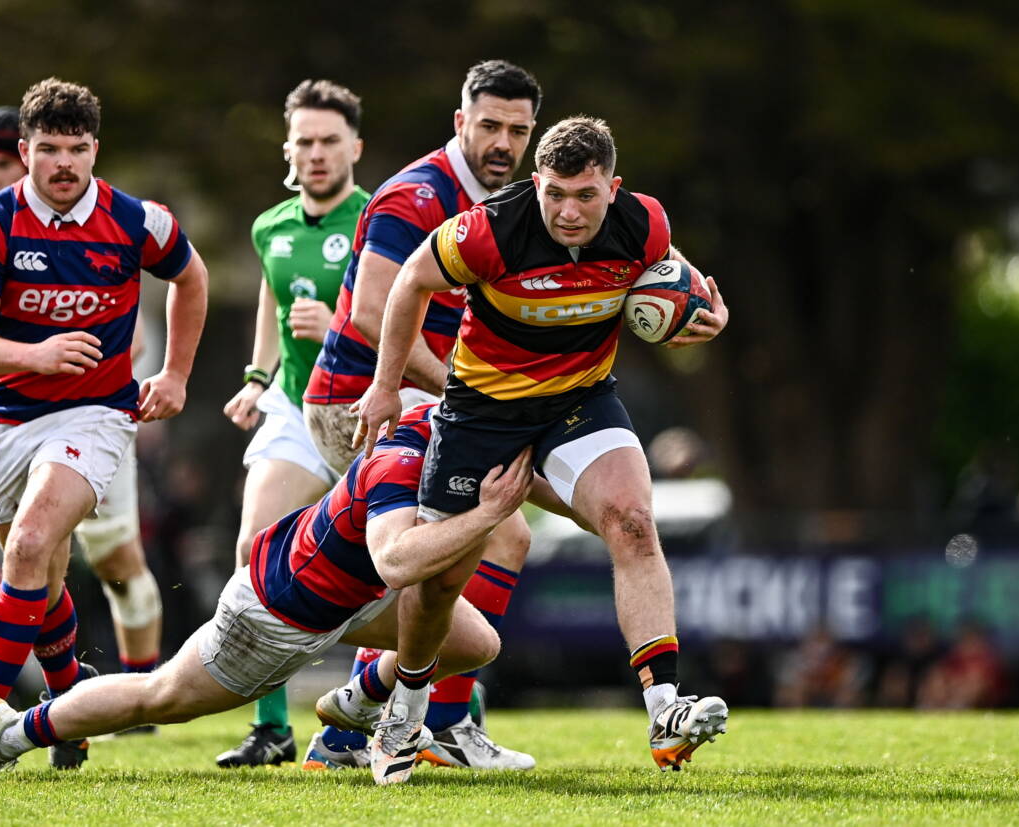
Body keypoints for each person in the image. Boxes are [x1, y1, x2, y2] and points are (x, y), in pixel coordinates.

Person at [355, 116, 731, 773]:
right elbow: (410, 282)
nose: (569, 210)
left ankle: (665, 710)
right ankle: (406, 712)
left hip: (579, 400)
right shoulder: (489, 228)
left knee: (634, 523)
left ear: (613, 189)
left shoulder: (644, 224)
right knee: (442, 580)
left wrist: (705, 310)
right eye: (556, 192)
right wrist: (386, 388)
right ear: (537, 183)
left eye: (586, 195)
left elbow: (677, 277)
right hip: (482, 410)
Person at [0, 405, 531, 780]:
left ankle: (355, 703)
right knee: (158, 697)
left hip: (345, 596)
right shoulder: (403, 461)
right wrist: (489, 513)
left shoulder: (455, 430)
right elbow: (396, 560)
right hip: (275, 614)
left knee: (474, 641)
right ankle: (13, 732)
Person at [0, 78, 208, 773]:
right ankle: (68, 710)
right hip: (7, 420)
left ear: (95, 151)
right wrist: (36, 354)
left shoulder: (134, 219)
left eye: (76, 149)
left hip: (96, 414)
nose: (63, 164)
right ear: (24, 152)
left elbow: (191, 275)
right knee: (43, 582)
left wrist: (173, 374)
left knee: (26, 546)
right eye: (48, 148)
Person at [300, 58, 540, 773]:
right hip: (362, 401)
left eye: (518, 130)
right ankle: (437, 721)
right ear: (460, 122)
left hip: (431, 405)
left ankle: (359, 725)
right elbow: (374, 315)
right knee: (493, 537)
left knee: (488, 537)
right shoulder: (416, 196)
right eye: (489, 125)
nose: (502, 142)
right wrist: (473, 394)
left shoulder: (511, 200)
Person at [216, 79, 370, 767]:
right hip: (294, 405)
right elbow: (272, 302)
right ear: (289, 147)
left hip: (367, 411)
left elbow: (411, 317)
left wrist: (339, 324)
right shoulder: (269, 225)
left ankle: (451, 703)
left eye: (329, 141)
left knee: (397, 569)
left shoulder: (380, 221)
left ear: (355, 148)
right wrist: (258, 377)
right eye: (304, 141)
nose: (316, 154)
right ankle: (271, 724)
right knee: (256, 543)